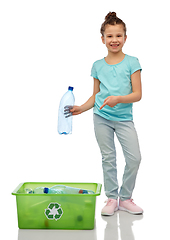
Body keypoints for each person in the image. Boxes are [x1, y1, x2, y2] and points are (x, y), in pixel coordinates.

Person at [70, 12, 143, 215]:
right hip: (101, 118)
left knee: (134, 158)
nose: (114, 40)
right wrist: (82, 108)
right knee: (108, 158)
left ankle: (125, 197)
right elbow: (96, 95)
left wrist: (118, 99)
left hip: (124, 119)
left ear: (125, 38)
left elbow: (137, 94)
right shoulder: (97, 65)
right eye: (110, 36)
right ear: (102, 39)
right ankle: (112, 198)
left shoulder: (132, 62)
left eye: (118, 36)